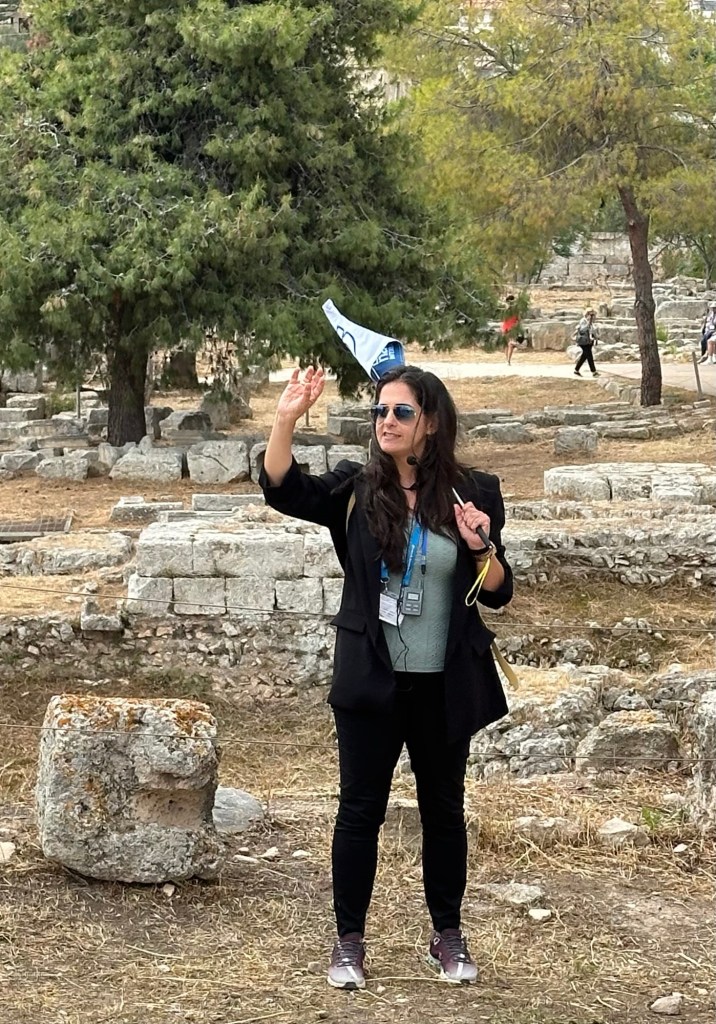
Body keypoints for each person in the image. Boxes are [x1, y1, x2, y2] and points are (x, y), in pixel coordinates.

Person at [260, 363, 514, 990]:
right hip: (370, 679)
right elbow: (284, 488)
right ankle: (348, 940)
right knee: (359, 811)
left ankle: (447, 934)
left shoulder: (473, 492)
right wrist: (286, 418)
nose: (387, 421)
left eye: (401, 411)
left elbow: (497, 592)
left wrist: (480, 547)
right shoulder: (355, 487)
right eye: (380, 410)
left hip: (443, 682)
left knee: (444, 812)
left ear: (431, 421)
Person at [501, 294, 527, 365]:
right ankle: (508, 360)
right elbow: (519, 319)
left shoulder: (511, 310)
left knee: (509, 344)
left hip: (509, 327)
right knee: (509, 344)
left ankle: (508, 360)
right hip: (509, 327)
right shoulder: (511, 310)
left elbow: (518, 319)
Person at [573, 308, 599, 377]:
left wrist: (595, 337)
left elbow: (592, 331)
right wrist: (588, 323)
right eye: (591, 314)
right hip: (583, 341)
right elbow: (582, 330)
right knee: (589, 356)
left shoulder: (591, 322)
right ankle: (594, 372)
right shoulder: (583, 321)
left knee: (584, 356)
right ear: (587, 314)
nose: (592, 316)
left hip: (589, 341)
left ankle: (576, 370)